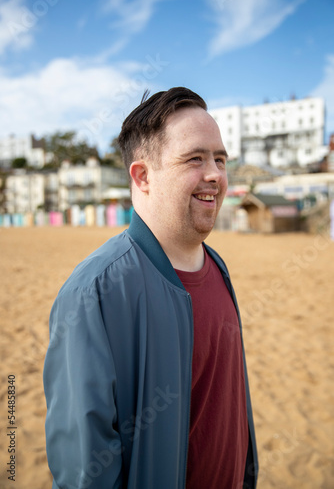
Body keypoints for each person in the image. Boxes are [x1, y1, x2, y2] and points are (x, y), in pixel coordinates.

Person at [43, 87, 258, 489]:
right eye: (195, 158)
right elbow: (82, 471)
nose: (214, 173)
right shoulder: (96, 292)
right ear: (142, 176)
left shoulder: (217, 268)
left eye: (220, 159)